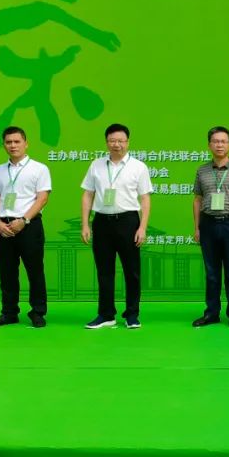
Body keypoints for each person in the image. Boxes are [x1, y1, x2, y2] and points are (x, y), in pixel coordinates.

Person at [80, 123, 152, 329]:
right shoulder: (96, 165)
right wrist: (85, 224)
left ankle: (132, 314)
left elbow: (145, 198)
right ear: (106, 142)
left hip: (128, 221)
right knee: (104, 271)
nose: (116, 144)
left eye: (120, 141)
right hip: (102, 222)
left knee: (132, 271)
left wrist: (142, 227)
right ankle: (106, 314)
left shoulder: (138, 167)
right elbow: (88, 195)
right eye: (112, 140)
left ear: (127, 142)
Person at [0, 126, 51, 328]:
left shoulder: (39, 168)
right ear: (4, 145)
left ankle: (38, 312)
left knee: (35, 271)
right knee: (7, 272)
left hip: (29, 226)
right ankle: (9, 312)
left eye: (17, 141)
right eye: (8, 142)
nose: (13, 145)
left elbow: (42, 198)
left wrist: (24, 220)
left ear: (26, 143)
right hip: (3, 227)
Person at [192, 126, 229, 328]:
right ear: (209, 145)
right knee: (211, 273)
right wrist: (197, 227)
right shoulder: (202, 170)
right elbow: (197, 200)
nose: (219, 145)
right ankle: (211, 313)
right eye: (215, 141)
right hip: (208, 224)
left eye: (223, 141)